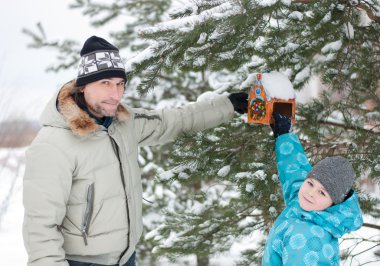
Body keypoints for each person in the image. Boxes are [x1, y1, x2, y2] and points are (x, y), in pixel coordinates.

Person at [22, 35, 248, 266]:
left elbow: (174, 120)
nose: (116, 94)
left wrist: (228, 104)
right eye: (105, 83)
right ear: (83, 86)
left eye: (120, 84)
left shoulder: (123, 123)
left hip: (126, 258)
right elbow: (40, 227)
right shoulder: (53, 144)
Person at [262, 113, 363, 265]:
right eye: (310, 183)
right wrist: (283, 134)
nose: (310, 192)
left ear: (333, 204)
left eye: (322, 192)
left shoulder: (309, 241)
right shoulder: (308, 205)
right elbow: (295, 171)